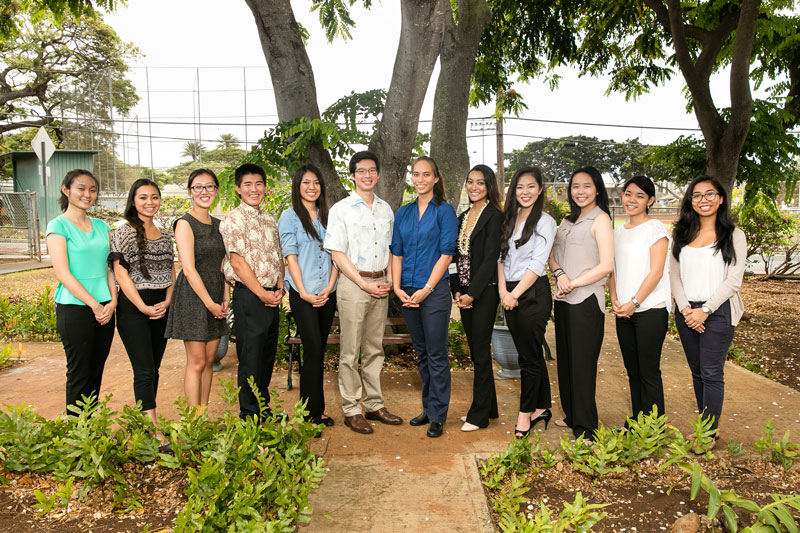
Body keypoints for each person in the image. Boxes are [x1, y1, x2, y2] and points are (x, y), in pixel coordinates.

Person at [324, 151, 402, 434]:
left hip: (380, 284)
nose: (367, 175)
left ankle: (374, 404)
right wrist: (363, 283)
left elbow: (392, 249)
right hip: (354, 285)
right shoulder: (341, 209)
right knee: (350, 351)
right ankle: (351, 409)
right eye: (361, 171)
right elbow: (337, 253)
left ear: (377, 174)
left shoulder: (386, 209)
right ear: (353, 175)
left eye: (371, 170)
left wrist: (390, 281)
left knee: (374, 349)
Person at [670, 176, 746, 441]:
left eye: (710, 194)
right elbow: (674, 275)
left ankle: (707, 435)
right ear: (691, 201)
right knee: (697, 373)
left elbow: (734, 280)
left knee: (712, 373)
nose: (704, 200)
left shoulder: (734, 235)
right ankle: (704, 428)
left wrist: (706, 310)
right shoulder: (681, 234)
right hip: (687, 311)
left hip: (719, 311)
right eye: (697, 195)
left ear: (721, 198)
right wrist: (686, 309)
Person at [391, 156, 458, 438]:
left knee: (436, 354)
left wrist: (427, 289)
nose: (420, 180)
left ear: (436, 178)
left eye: (426, 175)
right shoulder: (403, 213)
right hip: (406, 291)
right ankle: (427, 409)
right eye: (416, 174)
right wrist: (396, 288)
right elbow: (397, 252)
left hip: (434, 292)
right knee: (421, 353)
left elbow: (446, 254)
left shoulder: (444, 211)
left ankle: (438, 415)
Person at [548, 166, 614, 441]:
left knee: (583, 363)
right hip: (562, 299)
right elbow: (551, 255)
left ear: (597, 188)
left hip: (586, 300)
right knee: (565, 361)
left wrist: (573, 283)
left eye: (586, 186)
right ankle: (572, 414)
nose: (580, 191)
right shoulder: (566, 220)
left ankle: (586, 426)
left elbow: (607, 266)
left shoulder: (601, 220)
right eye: (575, 186)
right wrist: (561, 275)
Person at [109, 179, 175, 448]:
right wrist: (143, 307)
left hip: (161, 307)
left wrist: (168, 302)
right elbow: (120, 274)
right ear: (133, 201)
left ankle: (146, 421)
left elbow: (172, 271)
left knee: (154, 369)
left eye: (155, 197)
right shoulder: (122, 233)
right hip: (134, 309)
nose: (150, 202)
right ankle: (153, 431)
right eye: (143, 197)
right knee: (144, 370)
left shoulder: (166, 235)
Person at [46, 169, 116, 412]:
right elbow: (63, 274)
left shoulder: (101, 226)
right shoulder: (58, 226)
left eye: (93, 190)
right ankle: (76, 432)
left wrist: (112, 302)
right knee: (79, 371)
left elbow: (110, 268)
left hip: (106, 308)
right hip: (75, 308)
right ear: (66, 190)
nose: (88, 194)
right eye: (81, 188)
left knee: (96, 369)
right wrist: (95, 305)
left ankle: (90, 427)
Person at [220, 163, 284, 421]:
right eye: (247, 184)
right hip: (250, 296)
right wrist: (262, 293)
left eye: (258, 184)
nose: (253, 189)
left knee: (266, 355)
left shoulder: (269, 218)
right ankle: (249, 414)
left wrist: (279, 288)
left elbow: (278, 258)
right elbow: (237, 262)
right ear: (238, 188)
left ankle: (263, 408)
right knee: (250, 356)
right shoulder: (234, 219)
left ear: (265, 188)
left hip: (272, 296)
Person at [497, 167, 557, 439]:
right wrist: (502, 292)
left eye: (531, 186)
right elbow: (501, 258)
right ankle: (542, 406)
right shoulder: (509, 217)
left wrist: (515, 294)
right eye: (520, 187)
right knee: (529, 351)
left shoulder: (545, 221)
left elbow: (537, 263)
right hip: (508, 291)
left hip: (532, 293)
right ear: (513, 189)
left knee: (528, 357)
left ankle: (525, 414)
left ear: (540, 189)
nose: (525, 192)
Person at [278, 164, 338, 431]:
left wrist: (330, 287)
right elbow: (290, 257)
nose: (312, 187)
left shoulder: (330, 216)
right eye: (306, 182)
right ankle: (309, 415)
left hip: (327, 293)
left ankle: (314, 410)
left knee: (319, 351)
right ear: (297, 186)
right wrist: (303, 292)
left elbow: (338, 253)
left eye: (316, 182)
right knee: (312, 350)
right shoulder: (290, 217)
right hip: (303, 294)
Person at [165, 168, 229, 410]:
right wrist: (209, 303)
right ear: (190, 191)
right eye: (198, 187)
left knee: (210, 360)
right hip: (193, 295)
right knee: (197, 361)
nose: (205, 191)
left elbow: (223, 264)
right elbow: (189, 269)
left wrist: (224, 296)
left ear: (216, 190)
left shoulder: (219, 224)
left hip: (215, 291)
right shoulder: (184, 223)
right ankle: (193, 421)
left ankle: (202, 415)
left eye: (210, 186)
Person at [608, 176, 670, 422]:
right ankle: (638, 421)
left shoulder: (656, 228)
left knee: (648, 371)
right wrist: (614, 298)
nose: (631, 200)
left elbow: (656, 272)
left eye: (640, 196)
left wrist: (634, 302)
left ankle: (654, 428)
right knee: (632, 371)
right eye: (628, 193)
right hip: (623, 311)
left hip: (650, 310)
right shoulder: (617, 231)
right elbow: (612, 269)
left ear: (650, 201)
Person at [450, 165, 503, 432]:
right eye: (470, 182)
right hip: (466, 293)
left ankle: (479, 415)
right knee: (476, 351)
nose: (474, 187)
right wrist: (457, 289)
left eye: (480, 183)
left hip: (484, 292)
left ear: (489, 186)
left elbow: (491, 258)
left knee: (481, 353)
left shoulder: (494, 216)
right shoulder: (462, 216)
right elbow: (455, 258)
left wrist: (472, 293)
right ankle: (489, 406)